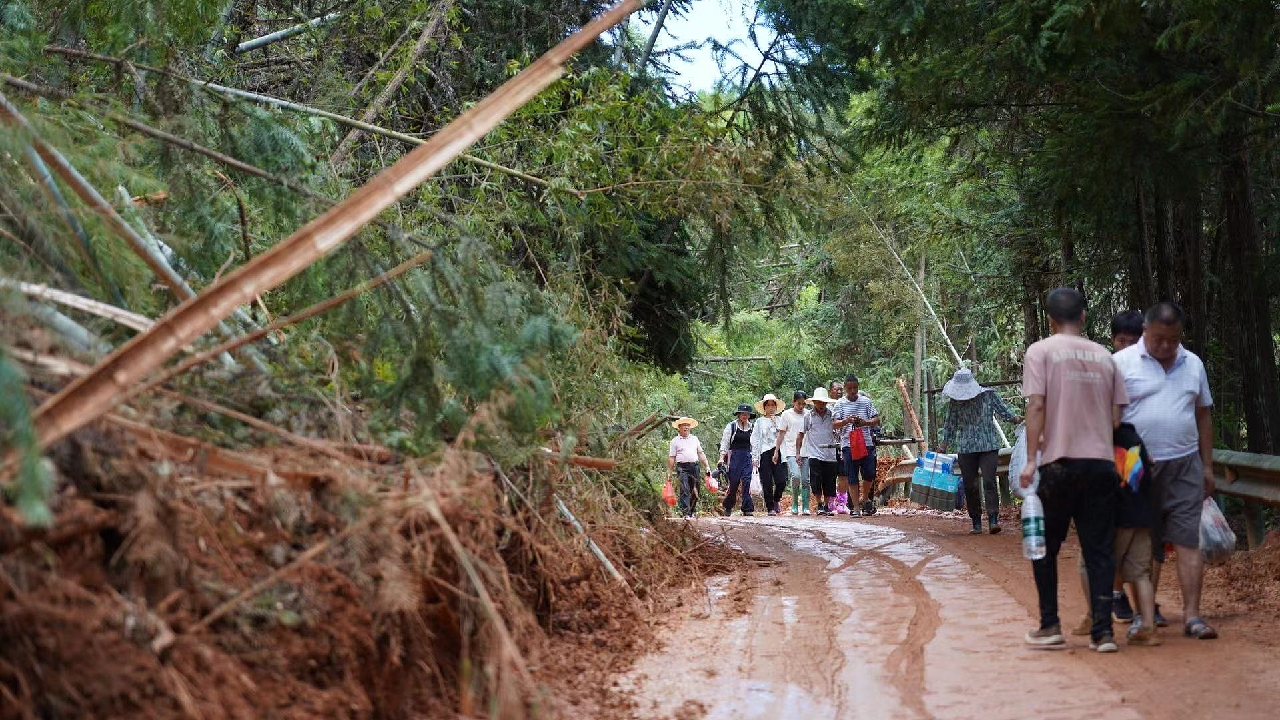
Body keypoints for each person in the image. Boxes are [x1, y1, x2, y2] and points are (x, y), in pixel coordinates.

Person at [1019, 287, 1128, 653]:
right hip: (1100, 465)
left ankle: (1050, 625)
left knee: (1046, 548)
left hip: (1059, 466)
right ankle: (1104, 632)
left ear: (1050, 319)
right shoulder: (1105, 357)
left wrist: (1032, 459)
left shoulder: (1040, 352)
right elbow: (1115, 419)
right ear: (1083, 316)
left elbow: (1036, 407)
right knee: (1099, 548)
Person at [1113, 302, 1218, 640]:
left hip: (1185, 462)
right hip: (1135, 465)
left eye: (1172, 340)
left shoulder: (1193, 364)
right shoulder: (1121, 364)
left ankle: (1192, 616)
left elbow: (1203, 415)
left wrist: (1207, 466)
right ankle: (1144, 617)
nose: (1165, 347)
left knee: (1188, 540)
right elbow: (1107, 417)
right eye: (1158, 339)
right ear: (1145, 331)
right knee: (1144, 542)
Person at [1072, 310, 1150, 635]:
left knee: (1090, 561)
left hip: (1114, 513)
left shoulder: (1107, 443)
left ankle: (1095, 617)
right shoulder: (1136, 443)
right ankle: (1146, 623)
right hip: (1140, 512)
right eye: (1122, 341)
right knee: (1141, 572)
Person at [937, 366, 1022, 534]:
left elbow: (1004, 412)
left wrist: (1019, 419)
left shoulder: (988, 395)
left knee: (989, 481)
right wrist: (944, 444)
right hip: (966, 448)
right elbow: (950, 425)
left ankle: (993, 519)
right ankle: (976, 522)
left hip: (988, 445)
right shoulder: (955, 403)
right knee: (970, 484)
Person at [832, 374, 882, 517]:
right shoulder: (840, 404)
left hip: (866, 443)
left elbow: (876, 419)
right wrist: (847, 421)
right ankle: (856, 508)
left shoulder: (866, 402)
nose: (853, 391)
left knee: (869, 473)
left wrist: (865, 423)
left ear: (858, 387)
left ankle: (865, 497)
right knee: (852, 476)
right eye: (850, 388)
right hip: (848, 445)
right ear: (845, 388)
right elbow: (834, 424)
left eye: (855, 388)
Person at [797, 387, 839, 516]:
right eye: (819, 402)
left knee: (829, 481)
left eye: (823, 402)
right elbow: (800, 435)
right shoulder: (808, 416)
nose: (821, 405)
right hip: (814, 453)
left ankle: (826, 505)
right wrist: (798, 453)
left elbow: (838, 430)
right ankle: (819, 504)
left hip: (830, 454)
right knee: (816, 481)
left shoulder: (832, 415)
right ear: (814, 402)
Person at [666, 417, 711, 519]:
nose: (686, 427)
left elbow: (700, 453)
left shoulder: (694, 439)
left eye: (687, 425)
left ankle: (692, 511)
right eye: (683, 425)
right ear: (679, 428)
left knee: (695, 489)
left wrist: (707, 466)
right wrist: (669, 472)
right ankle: (685, 512)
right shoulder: (675, 441)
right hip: (682, 468)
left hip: (694, 466)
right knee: (684, 489)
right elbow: (672, 457)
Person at [752, 393, 788, 516]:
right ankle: (770, 507)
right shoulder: (759, 422)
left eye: (773, 405)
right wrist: (755, 457)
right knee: (766, 481)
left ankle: (776, 499)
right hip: (765, 453)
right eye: (769, 405)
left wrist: (775, 423)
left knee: (782, 480)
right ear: (764, 407)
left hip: (780, 451)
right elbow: (755, 439)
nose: (771, 408)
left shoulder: (780, 419)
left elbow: (784, 435)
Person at [719, 404, 758, 516]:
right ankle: (728, 506)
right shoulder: (732, 426)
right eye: (742, 413)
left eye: (747, 414)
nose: (744, 416)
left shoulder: (752, 428)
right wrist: (721, 458)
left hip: (747, 457)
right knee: (734, 483)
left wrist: (755, 459)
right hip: (734, 457)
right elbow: (725, 442)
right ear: (739, 414)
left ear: (749, 415)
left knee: (747, 481)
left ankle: (747, 508)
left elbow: (755, 444)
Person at [776, 391, 811, 515]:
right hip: (790, 450)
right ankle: (795, 502)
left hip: (806, 450)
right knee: (796, 476)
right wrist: (776, 451)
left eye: (803, 404)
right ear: (794, 402)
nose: (801, 406)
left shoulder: (809, 414)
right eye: (798, 403)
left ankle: (806, 505)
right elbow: (781, 433)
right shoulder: (786, 415)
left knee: (806, 479)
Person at [828, 381, 850, 513]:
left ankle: (842, 502)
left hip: (844, 444)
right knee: (830, 474)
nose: (839, 392)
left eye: (841, 389)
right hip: (829, 445)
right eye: (836, 389)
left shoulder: (846, 405)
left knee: (844, 474)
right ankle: (830, 501)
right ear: (830, 390)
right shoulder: (825, 406)